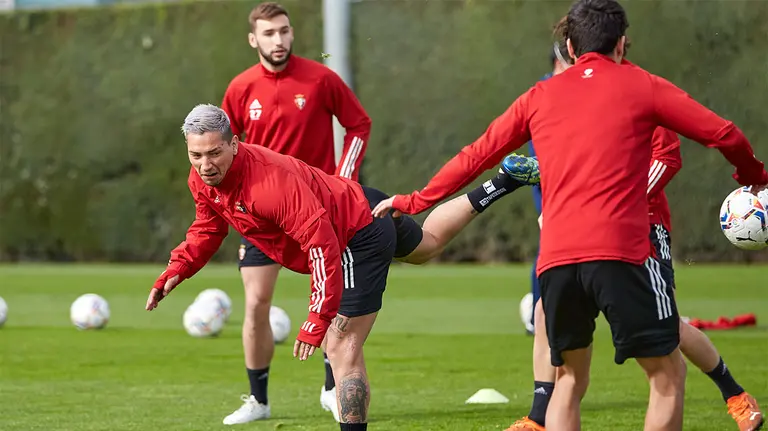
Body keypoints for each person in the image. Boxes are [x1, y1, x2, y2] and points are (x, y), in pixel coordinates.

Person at [371, 0, 768, 429]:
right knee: (666, 376)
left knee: (569, 381)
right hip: (621, 252)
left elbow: (476, 155)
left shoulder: (539, 96)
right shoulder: (643, 85)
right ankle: (732, 391)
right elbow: (724, 133)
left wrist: (414, 200)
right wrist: (754, 177)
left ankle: (732, 392)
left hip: (558, 258)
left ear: (570, 47)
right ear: (621, 44)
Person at [145, 104, 540, 431]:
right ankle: (502, 181)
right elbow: (207, 228)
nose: (205, 164)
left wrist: (317, 318)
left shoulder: (270, 184)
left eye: (214, 153)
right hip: (362, 203)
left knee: (339, 345)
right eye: (196, 155)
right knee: (427, 245)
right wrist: (176, 269)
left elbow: (322, 247)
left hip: (355, 235)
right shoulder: (203, 180)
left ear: (234, 144)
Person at [507, 19, 764, 431]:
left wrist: (614, 201)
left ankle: (733, 393)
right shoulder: (565, 97)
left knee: (670, 330)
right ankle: (540, 416)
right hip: (586, 232)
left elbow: (668, 157)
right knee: (544, 312)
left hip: (642, 228)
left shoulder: (640, 89)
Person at [219, 2, 371, 424]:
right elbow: (223, 149)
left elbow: (358, 124)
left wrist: (344, 178)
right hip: (262, 217)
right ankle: (258, 400)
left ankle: (331, 388)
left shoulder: (321, 78)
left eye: (284, 31)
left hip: (317, 211)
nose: (279, 40)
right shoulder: (240, 88)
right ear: (253, 39)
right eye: (269, 33)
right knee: (256, 304)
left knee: (333, 297)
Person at [526, 40, 573, 334]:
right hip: (549, 183)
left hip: (568, 181)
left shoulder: (571, 91)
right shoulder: (543, 94)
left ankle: (550, 313)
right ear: (559, 62)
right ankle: (538, 315)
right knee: (550, 245)